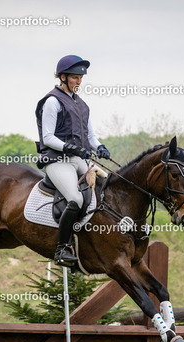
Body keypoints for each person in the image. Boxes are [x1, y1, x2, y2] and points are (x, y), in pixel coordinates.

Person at [35, 55, 111, 266]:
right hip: (57, 161)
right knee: (75, 199)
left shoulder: (82, 105)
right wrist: (72, 148)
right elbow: (48, 137)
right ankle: (62, 248)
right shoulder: (52, 101)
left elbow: (90, 137)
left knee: (107, 186)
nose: (79, 81)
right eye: (75, 77)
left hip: (77, 159)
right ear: (63, 77)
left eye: (81, 78)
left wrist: (100, 147)